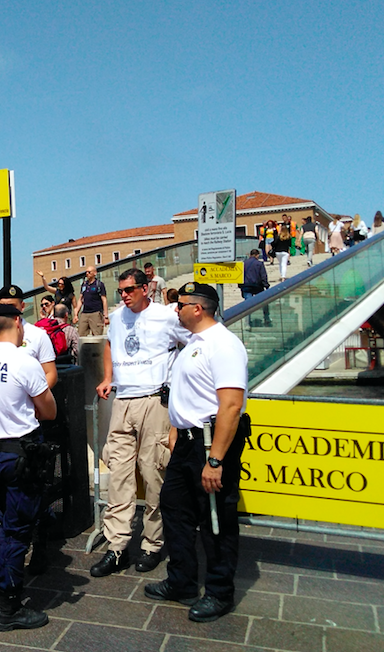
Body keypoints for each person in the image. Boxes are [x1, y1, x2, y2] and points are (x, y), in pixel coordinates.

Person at [145, 283, 249, 623]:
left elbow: (231, 406)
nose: (176, 309)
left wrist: (215, 460)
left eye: (181, 305)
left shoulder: (224, 345)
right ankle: (182, 581)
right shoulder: (192, 345)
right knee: (176, 512)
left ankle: (219, 592)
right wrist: (175, 432)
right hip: (187, 442)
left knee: (215, 520)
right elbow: (183, 395)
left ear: (198, 309)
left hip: (210, 442)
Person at [91, 268, 191, 577]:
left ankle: (152, 543)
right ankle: (117, 545)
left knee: (153, 472)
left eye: (130, 289)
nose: (124, 294)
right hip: (123, 400)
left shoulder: (166, 316)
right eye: (121, 290)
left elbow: (192, 343)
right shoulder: (119, 317)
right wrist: (108, 377)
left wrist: (179, 381)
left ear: (145, 288)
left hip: (154, 400)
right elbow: (109, 344)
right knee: (119, 473)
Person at [0, 304, 57, 631]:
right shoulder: (24, 361)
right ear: (18, 324)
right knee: (19, 529)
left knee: (8, 524)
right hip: (22, 453)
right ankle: (9, 605)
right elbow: (47, 410)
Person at [0, 285, 58, 390]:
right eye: (2, 305)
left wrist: (36, 400)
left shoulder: (38, 335)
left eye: (11, 306)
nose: (6, 310)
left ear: (22, 306)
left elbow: (50, 373)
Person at [238, 249, 271, 326]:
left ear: (250, 255)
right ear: (257, 255)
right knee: (264, 302)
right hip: (257, 286)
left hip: (246, 286)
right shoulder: (259, 264)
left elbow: (239, 276)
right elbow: (263, 276)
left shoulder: (243, 264)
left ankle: (247, 323)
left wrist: (240, 286)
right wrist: (266, 286)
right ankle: (267, 318)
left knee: (248, 304)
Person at [74, 265, 108, 336]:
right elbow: (80, 299)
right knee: (80, 335)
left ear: (95, 273)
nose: (87, 274)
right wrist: (76, 313)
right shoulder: (84, 285)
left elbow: (104, 300)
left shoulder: (99, 284)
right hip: (85, 313)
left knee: (97, 335)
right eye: (86, 272)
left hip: (96, 313)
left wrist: (106, 316)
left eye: (89, 272)